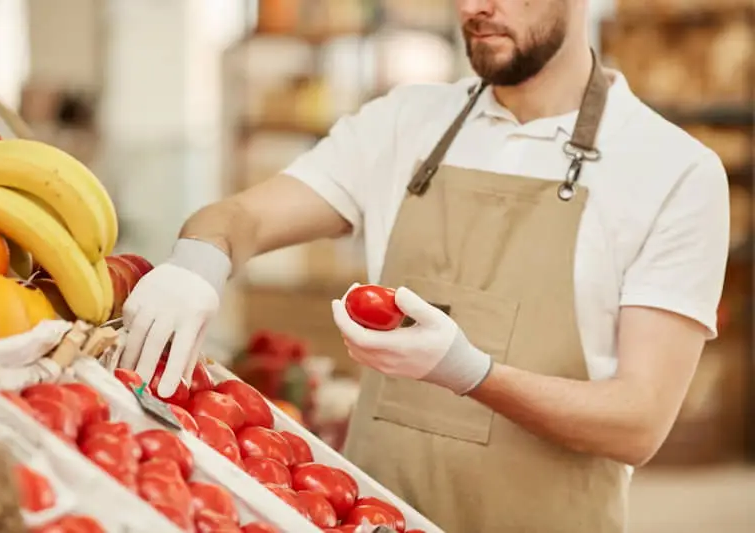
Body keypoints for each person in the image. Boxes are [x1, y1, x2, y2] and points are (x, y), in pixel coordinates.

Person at [119, 0, 730, 531]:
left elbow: (638, 423)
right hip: (370, 521)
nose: (474, 8)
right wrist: (197, 264)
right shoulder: (403, 123)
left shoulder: (673, 171)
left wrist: (469, 373)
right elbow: (244, 218)